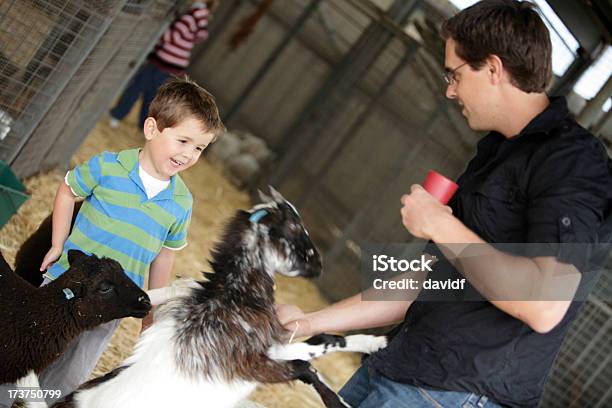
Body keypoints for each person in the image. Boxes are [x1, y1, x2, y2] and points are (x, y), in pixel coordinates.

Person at [277, 1, 612, 407]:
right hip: (402, 366)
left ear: (492, 68)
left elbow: (543, 305)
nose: (449, 90)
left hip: (456, 391)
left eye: (454, 74)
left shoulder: (572, 163)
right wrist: (309, 323)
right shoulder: (497, 152)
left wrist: (441, 225)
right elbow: (428, 280)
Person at [0, 77, 224, 406]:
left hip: (111, 303)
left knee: (72, 372)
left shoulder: (181, 203)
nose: (189, 154)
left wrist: (152, 307)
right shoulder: (109, 167)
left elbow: (164, 256)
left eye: (199, 148)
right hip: (65, 282)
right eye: (183, 140)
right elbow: (67, 189)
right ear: (152, 129)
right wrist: (57, 243)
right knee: (25, 351)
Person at [109, 0, 217, 129]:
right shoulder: (198, 14)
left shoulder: (196, 14)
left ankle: (118, 115)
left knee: (137, 87)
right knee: (152, 93)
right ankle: (144, 124)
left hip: (165, 59)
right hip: (171, 62)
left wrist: (159, 32)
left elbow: (174, 36)